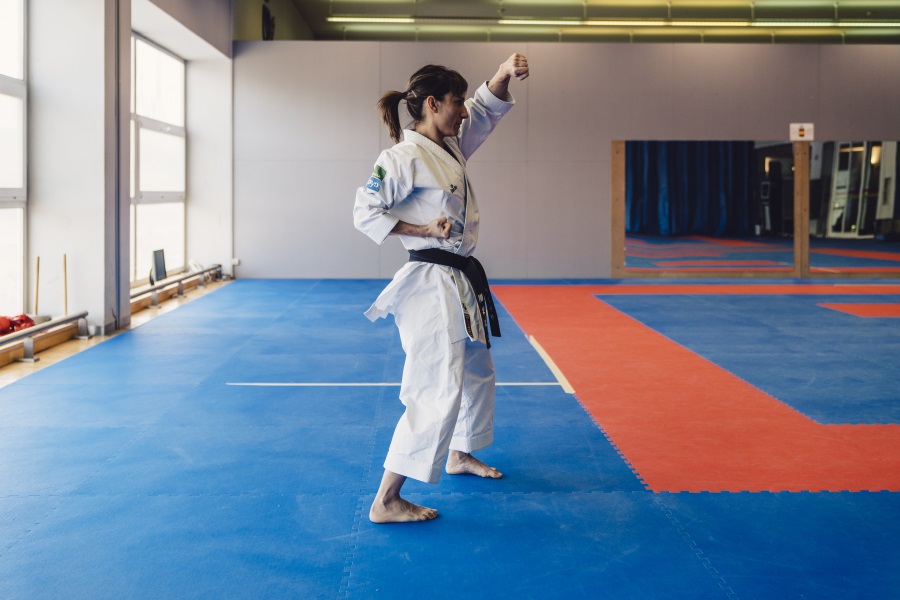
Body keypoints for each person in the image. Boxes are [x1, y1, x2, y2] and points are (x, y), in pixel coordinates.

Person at [353, 53, 529, 523]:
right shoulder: (402, 157)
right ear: (432, 104)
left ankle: (460, 452)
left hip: (458, 278)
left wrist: (504, 73)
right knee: (435, 384)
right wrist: (423, 231)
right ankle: (387, 498)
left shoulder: (449, 147)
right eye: (455, 103)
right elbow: (365, 212)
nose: (464, 111)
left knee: (476, 369)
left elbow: (485, 108)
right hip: (430, 283)